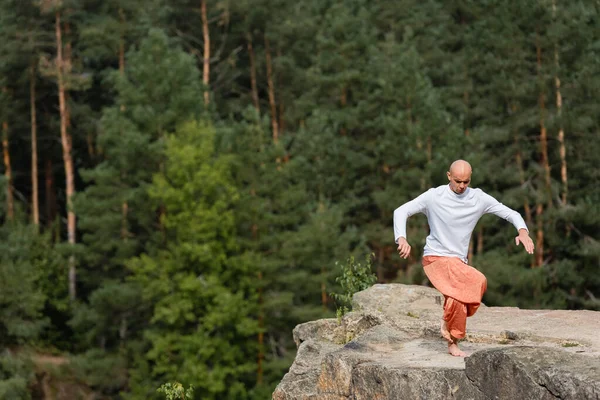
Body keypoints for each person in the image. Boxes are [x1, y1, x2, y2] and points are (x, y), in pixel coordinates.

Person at [393, 160, 534, 357]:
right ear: (448, 176)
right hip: (435, 257)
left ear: (471, 178)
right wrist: (401, 238)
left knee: (459, 298)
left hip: (458, 261)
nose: (461, 186)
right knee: (477, 281)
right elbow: (401, 211)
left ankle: (450, 336)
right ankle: (450, 332)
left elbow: (511, 213)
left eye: (466, 182)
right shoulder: (434, 196)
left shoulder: (479, 198)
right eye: (458, 181)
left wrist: (523, 232)